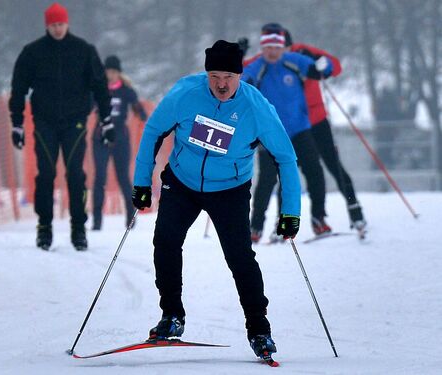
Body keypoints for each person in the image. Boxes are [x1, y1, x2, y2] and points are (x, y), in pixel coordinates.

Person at [131, 40, 301, 361]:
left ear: (239, 75)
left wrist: (290, 211)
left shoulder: (256, 107)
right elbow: (153, 131)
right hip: (182, 181)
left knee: (239, 257)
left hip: (230, 188)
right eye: (214, 76)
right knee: (165, 241)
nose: (221, 84)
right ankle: (172, 316)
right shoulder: (185, 94)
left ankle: (259, 328)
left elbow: (286, 158)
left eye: (228, 77)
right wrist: (142, 182)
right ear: (206, 74)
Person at [8, 3, 112, 251]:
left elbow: (100, 86)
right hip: (44, 122)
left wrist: (106, 121)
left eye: (61, 24)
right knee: (45, 175)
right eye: (53, 25)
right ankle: (44, 227)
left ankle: (79, 228)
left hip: (75, 121)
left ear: (68, 23)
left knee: (75, 174)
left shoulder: (84, 51)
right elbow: (19, 89)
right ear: (47, 25)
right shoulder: (32, 53)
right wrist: (17, 124)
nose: (58, 29)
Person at [245, 29, 367, 232]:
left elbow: (333, 67)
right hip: (288, 125)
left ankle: (354, 213)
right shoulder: (266, 59)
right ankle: (281, 223)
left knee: (332, 166)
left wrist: (320, 62)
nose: (282, 52)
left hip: (316, 119)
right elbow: (242, 75)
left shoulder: (302, 53)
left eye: (285, 48)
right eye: (277, 48)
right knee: (284, 175)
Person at [242, 23, 333, 244]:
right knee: (267, 181)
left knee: (314, 172)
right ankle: (255, 227)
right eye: (268, 48)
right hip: (270, 134)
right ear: (262, 49)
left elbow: (322, 70)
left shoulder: (293, 61)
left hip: (299, 129)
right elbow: (242, 82)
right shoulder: (258, 66)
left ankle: (318, 219)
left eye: (276, 47)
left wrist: (321, 61)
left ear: (283, 47)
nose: (272, 52)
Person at [91, 55, 147, 230]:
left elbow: (140, 111)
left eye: (114, 72)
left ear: (119, 73)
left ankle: (130, 218)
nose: (111, 75)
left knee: (123, 177)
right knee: (100, 177)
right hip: (100, 136)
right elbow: (87, 105)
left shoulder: (126, 91)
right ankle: (97, 221)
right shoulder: (98, 89)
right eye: (108, 72)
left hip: (120, 137)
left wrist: (140, 112)